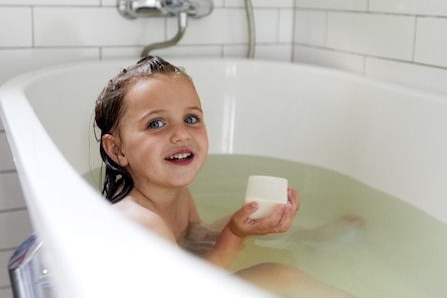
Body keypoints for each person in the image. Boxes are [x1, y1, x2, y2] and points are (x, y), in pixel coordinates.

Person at [93, 55, 355, 298]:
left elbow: (196, 239)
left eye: (191, 118)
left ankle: (308, 237)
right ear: (117, 150)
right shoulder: (140, 221)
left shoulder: (173, 192)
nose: (181, 134)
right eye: (156, 123)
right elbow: (190, 289)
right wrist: (235, 233)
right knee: (281, 276)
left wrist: (252, 221)